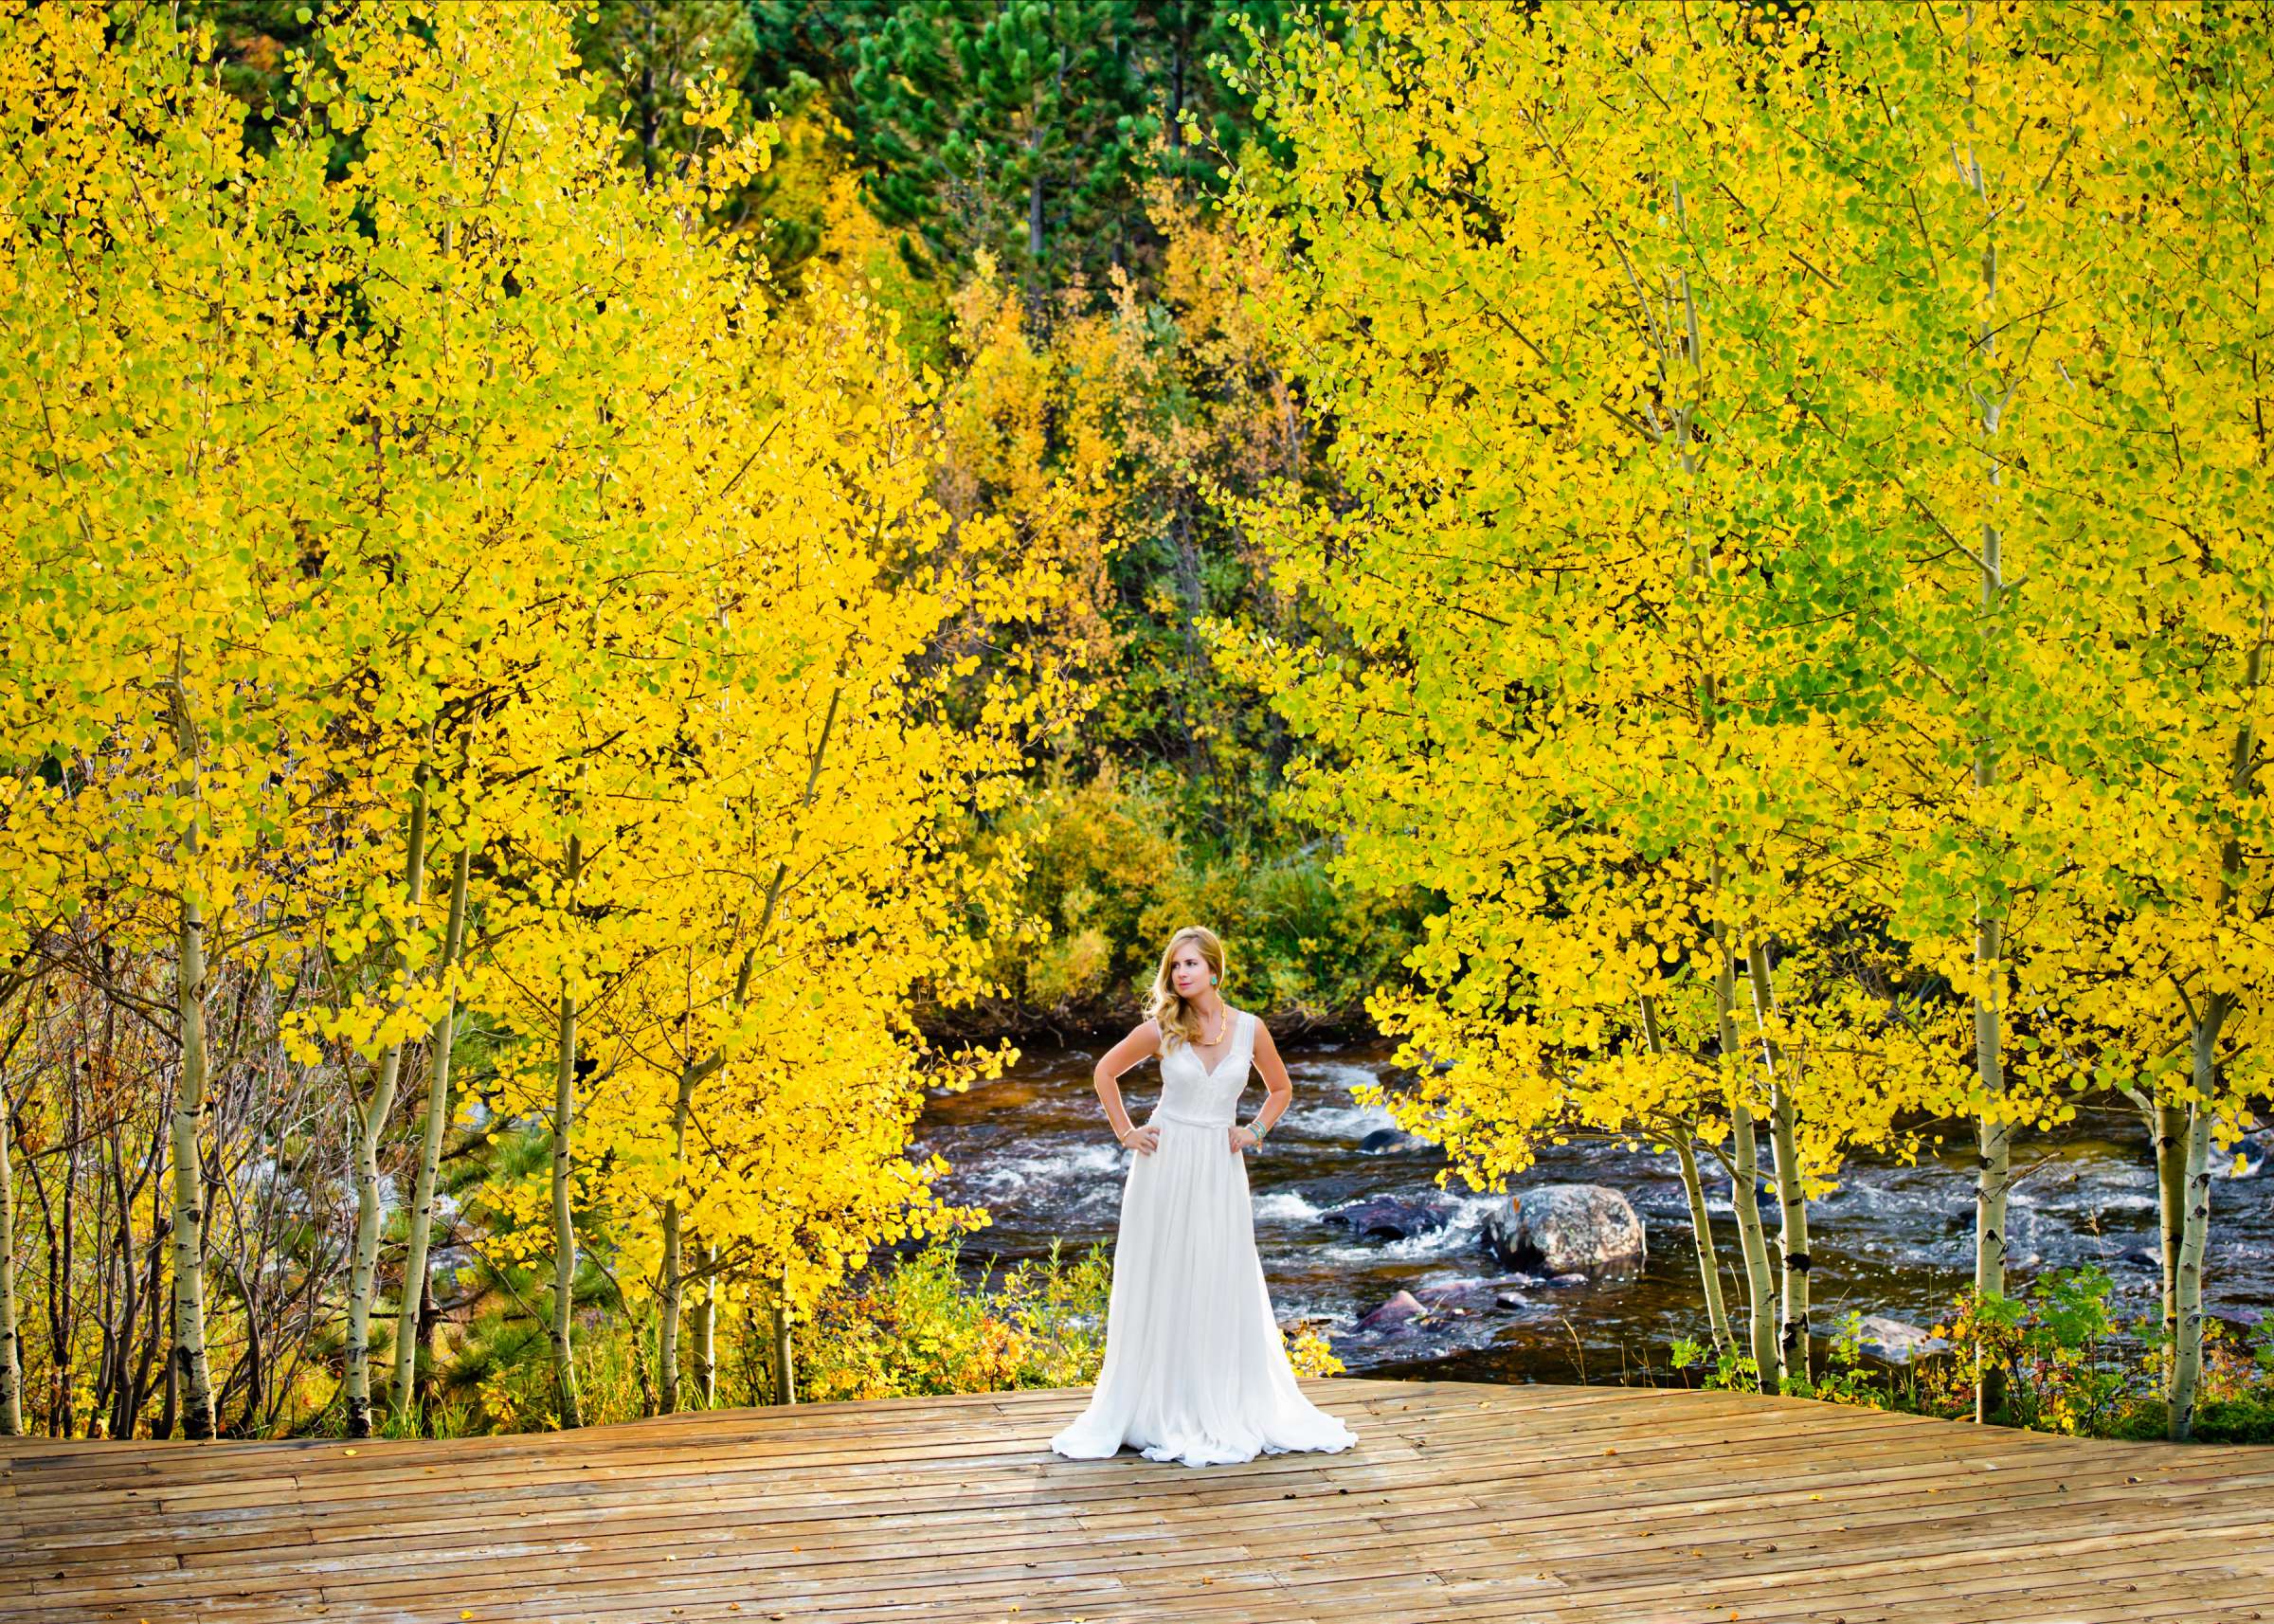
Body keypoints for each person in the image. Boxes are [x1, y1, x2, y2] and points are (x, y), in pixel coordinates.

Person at [1048, 925, 1360, 1468]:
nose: (1181, 974)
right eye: (1174, 966)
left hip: (1220, 1166)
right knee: (1166, 1275)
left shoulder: (1251, 1030)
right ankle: (1158, 1404)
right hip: (1165, 1165)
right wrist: (1127, 1133)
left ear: (1214, 969)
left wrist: (1255, 1131)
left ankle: (1221, 1397)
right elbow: (1105, 1072)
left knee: (1218, 1273)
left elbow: (1281, 1089)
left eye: (1190, 964)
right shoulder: (1161, 1029)